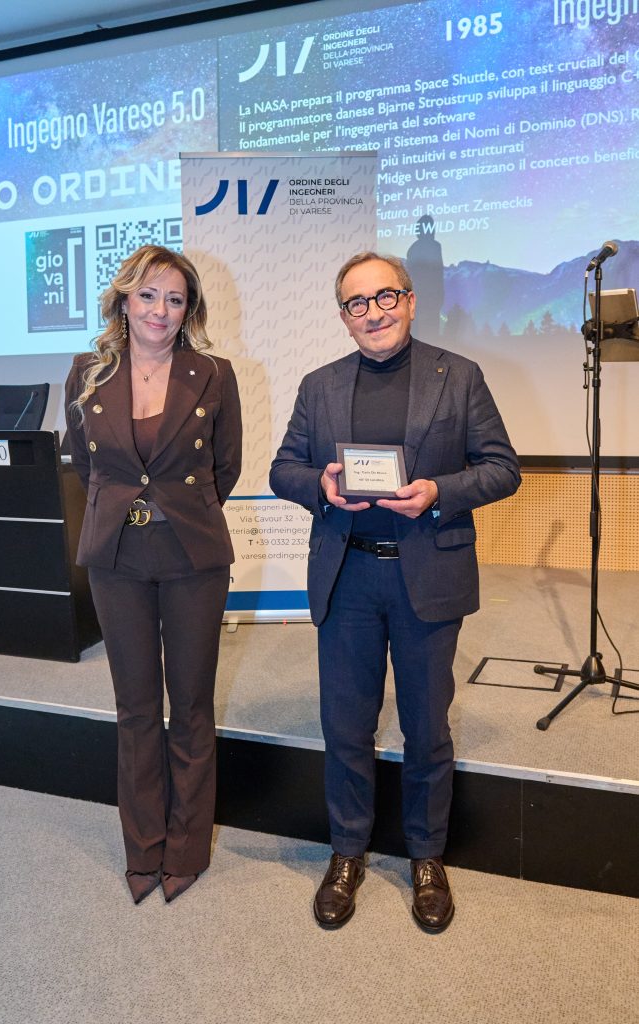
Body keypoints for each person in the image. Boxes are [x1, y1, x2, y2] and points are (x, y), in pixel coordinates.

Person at [270, 252, 519, 932]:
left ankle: (426, 856)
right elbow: (283, 468)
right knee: (345, 725)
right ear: (343, 316)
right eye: (358, 302)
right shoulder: (319, 385)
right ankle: (347, 851)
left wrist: (439, 492)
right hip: (347, 575)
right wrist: (319, 487)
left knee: (426, 727)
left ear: (409, 301)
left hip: (426, 577)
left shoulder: (458, 376)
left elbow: (502, 469)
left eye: (386, 297)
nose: (374, 312)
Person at [65, 245, 242, 905]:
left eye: (174, 298)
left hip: (192, 554)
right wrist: (129, 512)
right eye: (147, 295)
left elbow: (226, 467)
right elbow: (85, 465)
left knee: (191, 705)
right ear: (124, 300)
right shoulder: (87, 372)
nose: (160, 310)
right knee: (135, 706)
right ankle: (143, 847)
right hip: (117, 556)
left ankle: (186, 848)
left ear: (188, 308)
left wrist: (177, 513)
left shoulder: (214, 374)